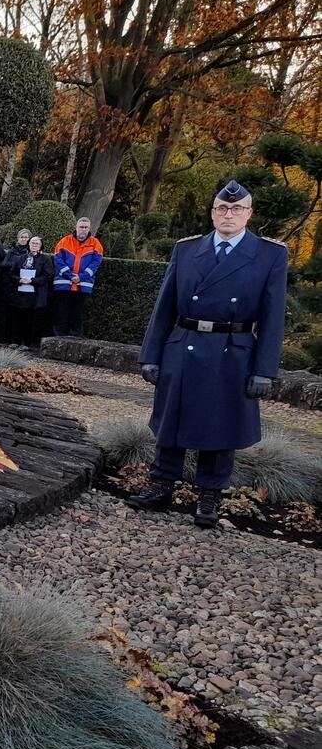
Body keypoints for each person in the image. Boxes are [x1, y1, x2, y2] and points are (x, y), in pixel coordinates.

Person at [127, 181, 288, 528]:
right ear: (213, 213)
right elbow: (164, 307)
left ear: (249, 214)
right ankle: (161, 487)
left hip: (232, 351)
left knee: (220, 425)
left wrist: (264, 370)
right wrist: (150, 354)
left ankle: (209, 497)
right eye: (221, 208)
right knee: (171, 420)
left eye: (236, 209)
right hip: (183, 344)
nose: (228, 214)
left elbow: (273, 318)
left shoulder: (269, 255)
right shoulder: (187, 250)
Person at [52, 217, 103, 337]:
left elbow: (96, 263)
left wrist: (81, 277)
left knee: (78, 313)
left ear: (89, 228)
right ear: (76, 227)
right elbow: (58, 260)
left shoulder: (96, 244)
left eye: (86, 227)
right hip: (64, 284)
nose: (83, 229)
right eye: (81, 227)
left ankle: (75, 338)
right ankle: (58, 337)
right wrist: (70, 276)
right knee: (61, 312)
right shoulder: (64, 241)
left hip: (83, 285)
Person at [2, 235, 52, 349]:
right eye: (32, 243)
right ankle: (15, 340)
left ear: (41, 246)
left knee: (30, 319)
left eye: (37, 243)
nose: (34, 245)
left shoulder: (45, 259)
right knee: (17, 318)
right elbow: (11, 273)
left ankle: (26, 343)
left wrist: (32, 281)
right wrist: (19, 279)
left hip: (35, 295)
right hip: (19, 293)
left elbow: (47, 276)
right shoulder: (20, 258)